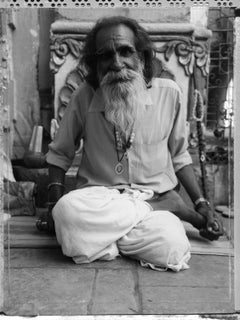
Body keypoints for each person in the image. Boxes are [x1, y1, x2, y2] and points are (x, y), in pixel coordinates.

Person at [42, 16, 223, 271]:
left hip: (148, 194)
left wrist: (201, 204)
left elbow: (180, 156)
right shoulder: (85, 95)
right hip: (101, 199)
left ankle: (106, 241)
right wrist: (51, 206)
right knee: (66, 211)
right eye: (106, 56)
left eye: (125, 51)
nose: (117, 64)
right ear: (96, 64)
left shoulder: (169, 93)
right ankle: (158, 213)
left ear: (142, 56)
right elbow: (60, 154)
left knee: (172, 247)